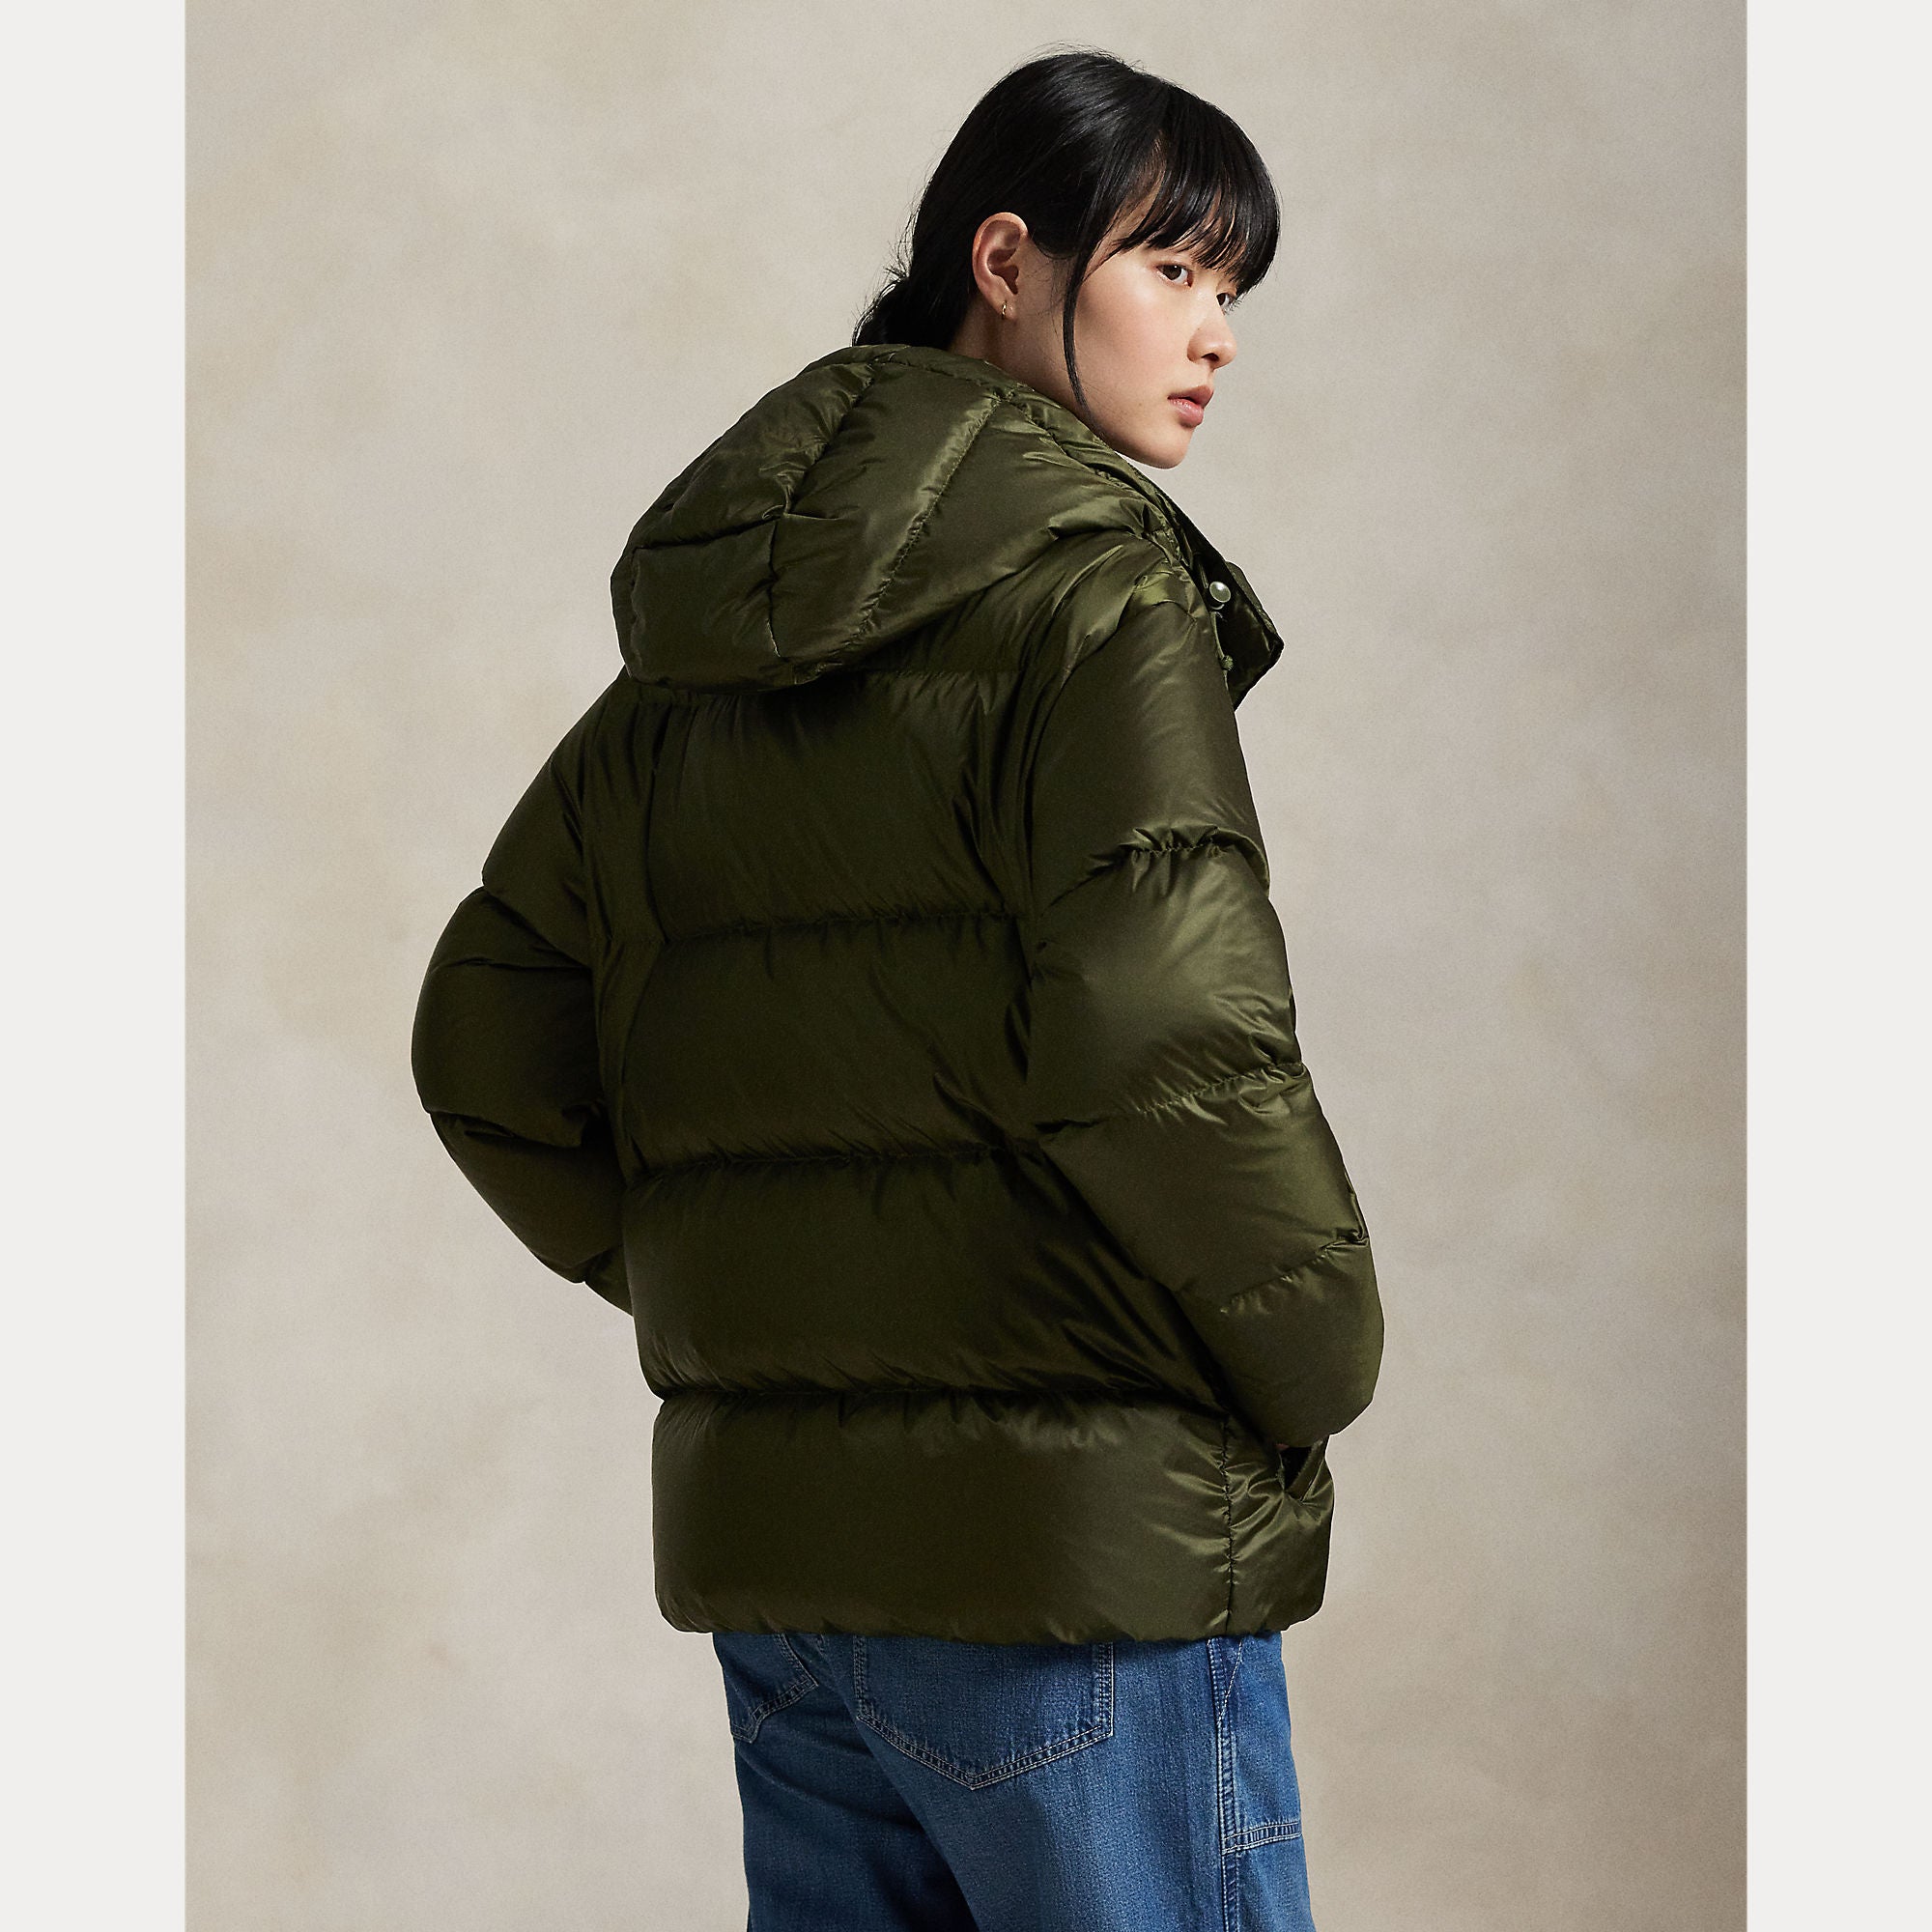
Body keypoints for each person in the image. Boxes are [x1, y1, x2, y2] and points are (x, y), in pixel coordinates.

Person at [412, 44, 1383, 1932]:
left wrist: (763, 1293)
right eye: (1172, 266)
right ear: (1006, 262)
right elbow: (1162, 1034)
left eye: (1230, 285)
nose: (1215, 332)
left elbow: (485, 1041)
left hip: (794, 1580)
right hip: (1074, 1555)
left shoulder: (696, 656)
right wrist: (1315, 1349)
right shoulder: (1102, 597)